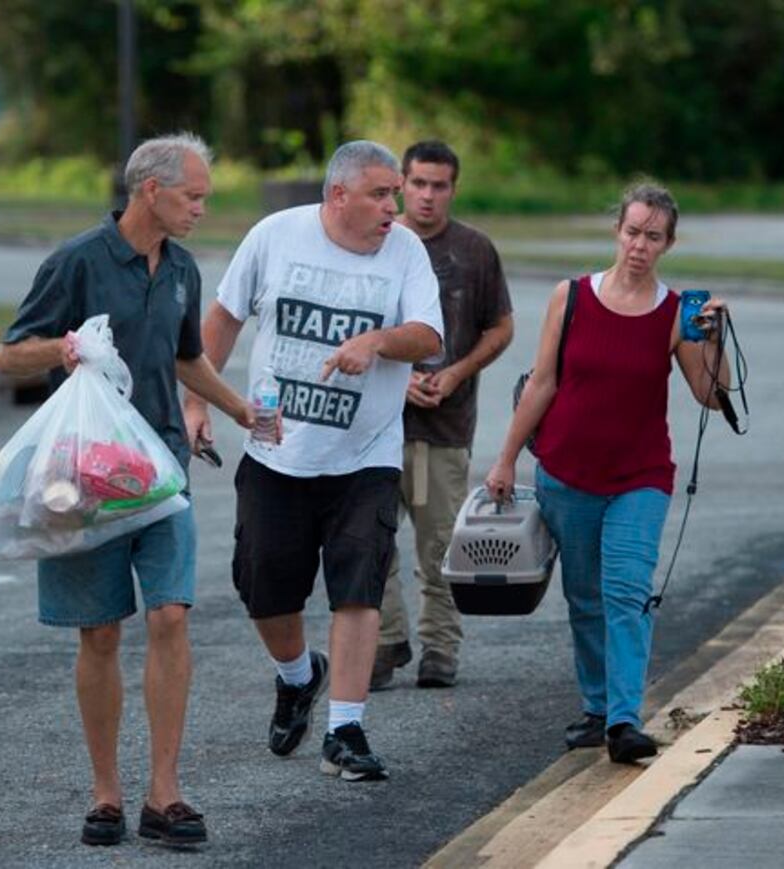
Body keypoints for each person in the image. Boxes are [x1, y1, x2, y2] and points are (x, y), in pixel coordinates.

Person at [0, 133, 257, 847]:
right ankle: (106, 793)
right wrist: (65, 347)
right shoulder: (76, 261)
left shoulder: (180, 268)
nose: (202, 207)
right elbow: (10, 353)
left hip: (162, 468)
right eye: (193, 195)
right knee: (101, 630)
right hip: (80, 478)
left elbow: (185, 357)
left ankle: (164, 793)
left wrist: (240, 410)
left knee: (171, 614)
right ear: (151, 189)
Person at [183, 140, 443, 782]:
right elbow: (221, 320)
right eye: (381, 194)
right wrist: (198, 403)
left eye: (396, 193)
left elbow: (430, 338)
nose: (395, 205)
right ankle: (299, 678)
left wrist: (379, 341)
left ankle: (344, 729)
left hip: (367, 455)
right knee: (263, 588)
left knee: (358, 587)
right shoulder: (275, 236)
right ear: (337, 196)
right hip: (277, 450)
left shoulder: (405, 250)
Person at [484, 183, 729, 764]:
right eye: (632, 231)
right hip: (566, 474)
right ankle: (597, 708)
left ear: (667, 244)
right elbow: (543, 383)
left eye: (653, 236)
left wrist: (714, 343)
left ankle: (624, 720)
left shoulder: (677, 314)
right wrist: (506, 456)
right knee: (585, 598)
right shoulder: (569, 297)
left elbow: (708, 396)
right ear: (617, 230)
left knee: (625, 592)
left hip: (640, 477)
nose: (639, 246)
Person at [370, 140, 514, 691]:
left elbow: (500, 327)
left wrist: (455, 374)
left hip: (444, 430)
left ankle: (439, 649)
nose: (428, 195)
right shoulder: (376, 243)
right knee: (371, 544)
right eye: (419, 183)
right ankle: (384, 643)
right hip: (376, 428)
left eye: (440, 185)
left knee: (439, 548)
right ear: (402, 184)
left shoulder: (475, 251)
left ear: (454, 188)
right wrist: (398, 379)